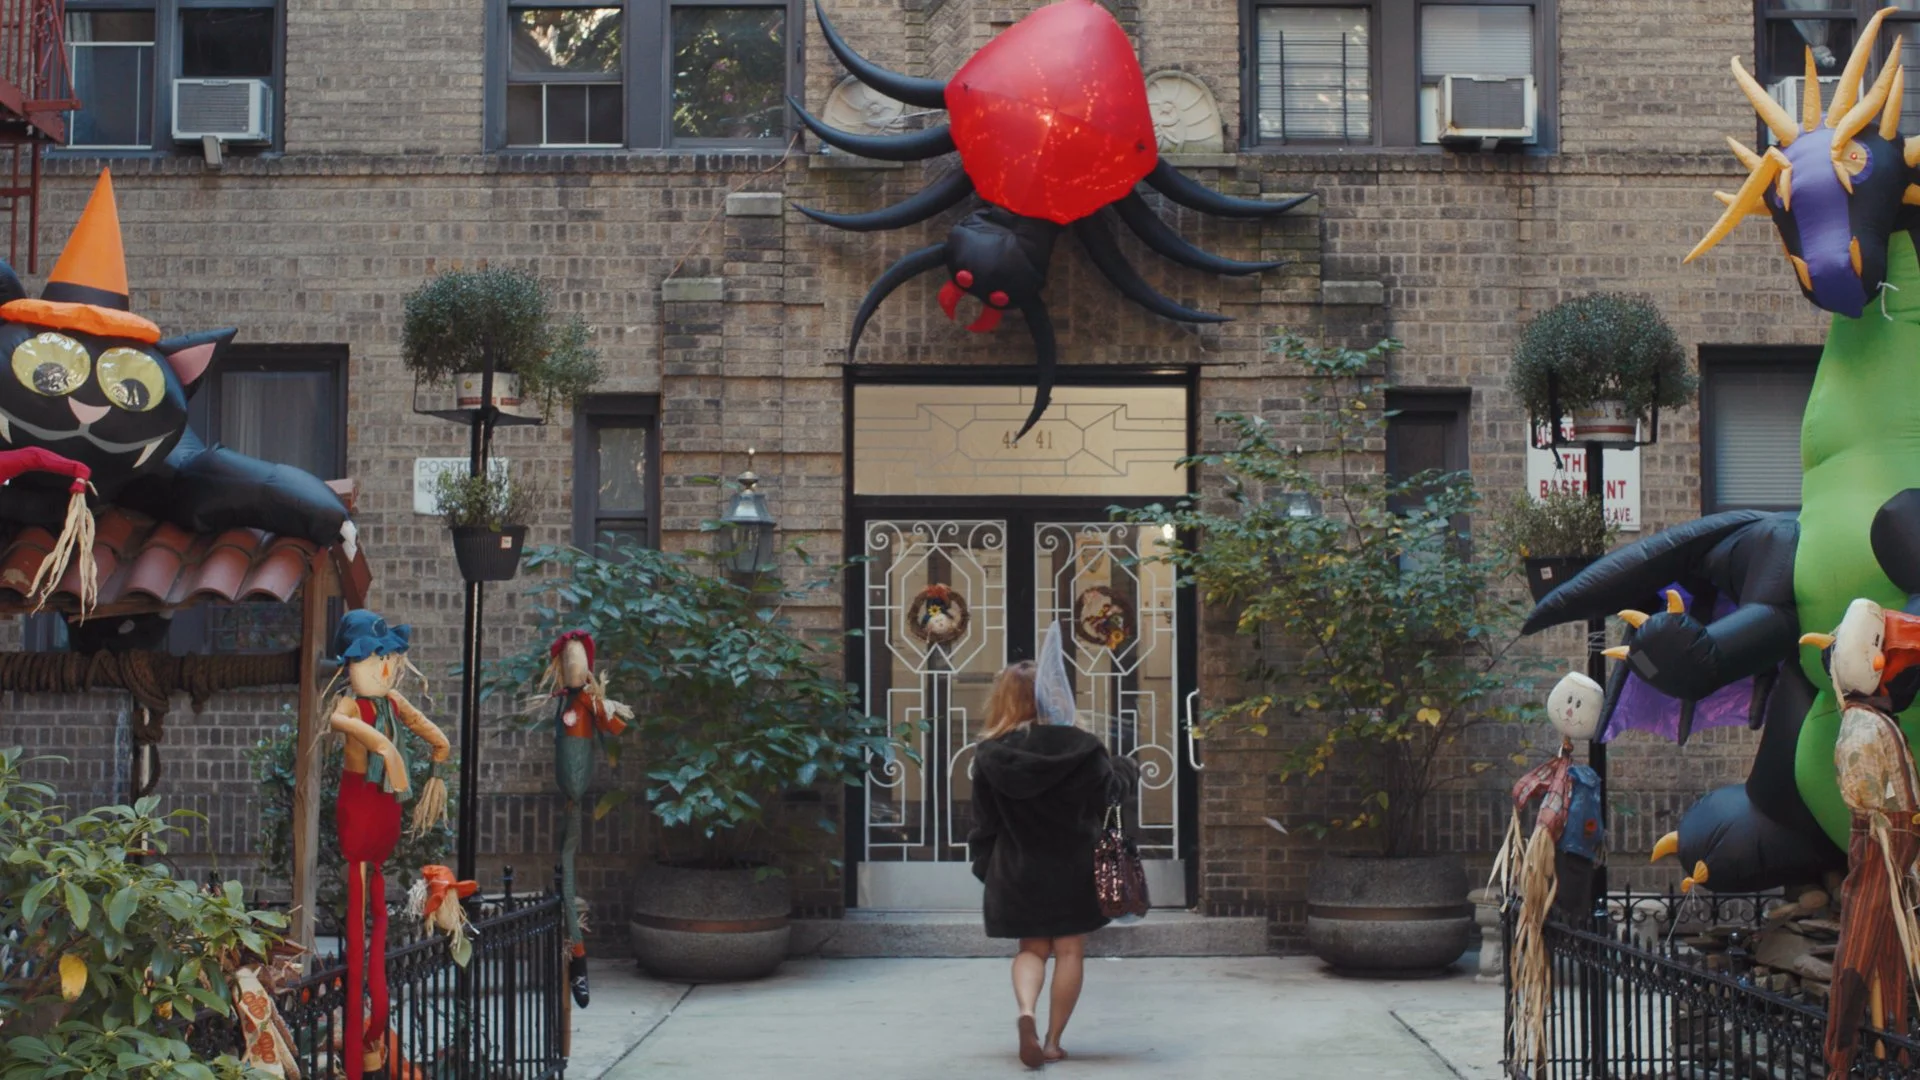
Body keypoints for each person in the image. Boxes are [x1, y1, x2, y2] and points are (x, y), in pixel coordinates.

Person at [968, 658, 1137, 1069]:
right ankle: (1052, 1043)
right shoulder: (1083, 748)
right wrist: (1125, 768)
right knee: (1069, 951)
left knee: (1031, 949)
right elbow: (1109, 798)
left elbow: (984, 823)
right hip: (1073, 867)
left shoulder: (990, 755)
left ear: (1004, 699)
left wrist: (987, 866)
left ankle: (1025, 1012)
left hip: (1018, 867)